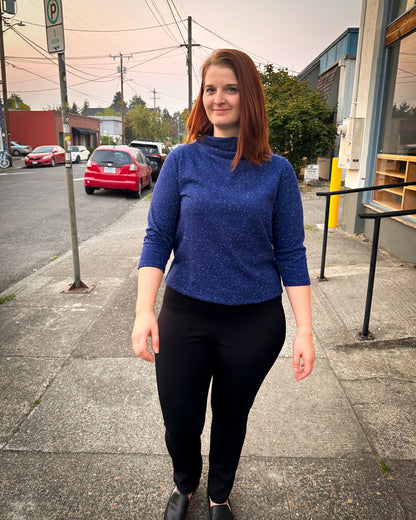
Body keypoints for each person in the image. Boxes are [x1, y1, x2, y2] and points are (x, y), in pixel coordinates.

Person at [132, 48, 315, 520]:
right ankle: (184, 484)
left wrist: (305, 330)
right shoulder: (181, 161)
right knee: (180, 420)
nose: (219, 98)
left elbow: (291, 253)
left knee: (231, 419)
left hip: (254, 322)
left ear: (248, 95)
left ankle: (218, 496)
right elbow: (157, 239)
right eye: (210, 89)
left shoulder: (276, 171)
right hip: (185, 314)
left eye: (230, 88)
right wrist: (143, 310)